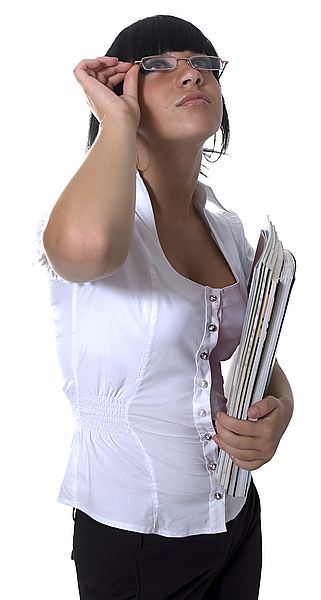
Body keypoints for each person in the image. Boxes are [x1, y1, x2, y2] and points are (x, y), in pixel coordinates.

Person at [36, 14, 294, 600]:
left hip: (233, 519)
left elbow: (256, 351)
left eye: (204, 65)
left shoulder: (227, 230)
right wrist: (116, 122)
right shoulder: (101, 219)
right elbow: (87, 251)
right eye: (158, 65)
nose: (190, 75)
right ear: (120, 90)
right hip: (136, 540)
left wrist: (280, 410)